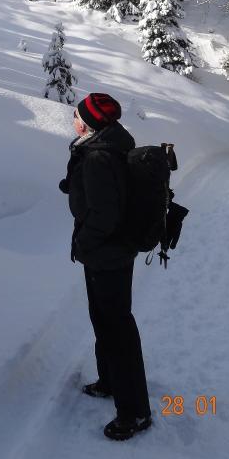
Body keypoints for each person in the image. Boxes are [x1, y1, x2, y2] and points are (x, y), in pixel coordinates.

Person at [59, 93, 152, 441]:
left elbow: (105, 213)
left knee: (116, 327)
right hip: (111, 252)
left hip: (107, 253)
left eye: (77, 114)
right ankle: (110, 381)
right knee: (104, 318)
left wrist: (85, 242)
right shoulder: (109, 143)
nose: (73, 118)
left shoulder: (99, 156)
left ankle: (135, 412)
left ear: (89, 121)